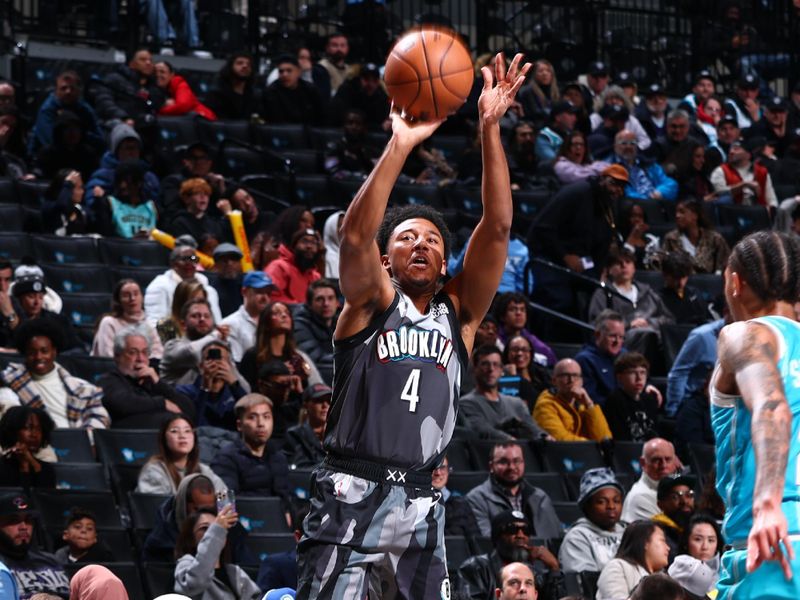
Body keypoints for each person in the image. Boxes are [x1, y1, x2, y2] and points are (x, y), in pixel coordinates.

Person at [297, 52, 530, 599]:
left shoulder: (461, 315)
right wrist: (400, 144)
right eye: (405, 238)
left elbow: (496, 227)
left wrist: (489, 128)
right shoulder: (371, 304)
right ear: (386, 261)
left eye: (431, 239)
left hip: (423, 500)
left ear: (446, 263)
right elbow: (355, 238)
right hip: (350, 491)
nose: (420, 242)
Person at [706, 230, 800, 598]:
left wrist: (766, 504)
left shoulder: (744, 335)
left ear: (734, 282)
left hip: (775, 545)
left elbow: (771, 405)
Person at [526, 165, 628, 323]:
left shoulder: (609, 205)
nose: (617, 190)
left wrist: (600, 271)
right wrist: (565, 256)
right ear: (602, 180)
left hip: (582, 264)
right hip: (550, 257)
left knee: (598, 298)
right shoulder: (577, 192)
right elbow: (541, 229)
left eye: (621, 187)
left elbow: (602, 243)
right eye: (613, 183)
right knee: (561, 301)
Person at [0, 320, 109, 430]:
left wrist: (84, 437)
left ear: (54, 351)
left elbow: (100, 417)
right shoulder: (10, 380)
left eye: (44, 351)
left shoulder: (82, 388)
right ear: (25, 354)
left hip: (77, 441)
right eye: (32, 352)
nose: (38, 357)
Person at [143, 473, 254, 564]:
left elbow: (247, 570)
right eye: (198, 510)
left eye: (209, 510)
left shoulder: (230, 532)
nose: (204, 516)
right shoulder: (160, 541)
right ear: (183, 506)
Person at [587, 248, 673, 363]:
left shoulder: (647, 292)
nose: (624, 266)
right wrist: (628, 324)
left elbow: (669, 319)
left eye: (628, 262)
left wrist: (649, 322)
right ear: (609, 270)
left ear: (634, 267)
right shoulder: (603, 294)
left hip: (654, 336)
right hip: (623, 339)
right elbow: (596, 324)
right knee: (643, 334)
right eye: (618, 263)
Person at [457, 510, 562, 600]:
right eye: (512, 529)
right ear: (497, 536)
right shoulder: (476, 568)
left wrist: (554, 569)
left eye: (526, 531)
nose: (521, 535)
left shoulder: (534, 573)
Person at [466, 442, 561, 540]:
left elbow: (554, 537)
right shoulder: (477, 498)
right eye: (503, 462)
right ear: (491, 466)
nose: (511, 467)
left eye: (517, 461)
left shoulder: (540, 497)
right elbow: (486, 541)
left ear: (523, 463)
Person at [210, 395, 291, 507]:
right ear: (239, 425)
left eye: (266, 417)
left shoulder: (278, 457)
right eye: (252, 417)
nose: (261, 424)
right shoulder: (225, 459)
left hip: (277, 520)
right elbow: (225, 502)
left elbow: (287, 499)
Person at [459, 346, 549, 441]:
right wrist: (513, 442)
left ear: (502, 370)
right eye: (485, 364)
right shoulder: (466, 403)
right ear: (475, 369)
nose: (491, 369)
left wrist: (546, 438)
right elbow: (483, 430)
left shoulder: (517, 403)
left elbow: (535, 429)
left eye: (496, 364)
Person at [173, 506, 261, 599]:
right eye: (204, 528)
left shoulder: (235, 572)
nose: (213, 533)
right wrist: (216, 530)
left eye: (219, 528)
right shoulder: (185, 565)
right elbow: (195, 584)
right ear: (190, 538)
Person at [238, 300, 322, 392]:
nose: (284, 315)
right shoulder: (252, 356)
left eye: (287, 313)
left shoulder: (297, 357)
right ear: (266, 323)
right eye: (276, 313)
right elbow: (245, 389)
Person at [0, 492, 70, 598]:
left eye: (28, 520)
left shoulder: (51, 561)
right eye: (14, 520)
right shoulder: (1, 567)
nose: (23, 527)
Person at [83, 122, 160, 218]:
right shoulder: (102, 176)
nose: (132, 152)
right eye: (127, 148)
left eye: (135, 148)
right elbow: (93, 206)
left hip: (146, 222)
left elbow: (158, 205)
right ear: (117, 151)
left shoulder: (149, 177)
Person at [558, 468, 627, 573]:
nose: (611, 506)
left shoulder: (629, 533)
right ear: (586, 506)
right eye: (601, 502)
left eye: (616, 501)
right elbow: (585, 582)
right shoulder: (577, 538)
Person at [137, 414, 225, 495]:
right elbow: (155, 507)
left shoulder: (203, 471)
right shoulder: (154, 471)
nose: (182, 435)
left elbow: (223, 495)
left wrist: (221, 508)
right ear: (164, 438)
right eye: (174, 431)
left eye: (187, 431)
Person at [159, 300, 239, 386]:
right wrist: (216, 335)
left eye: (207, 316)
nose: (202, 319)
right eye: (195, 316)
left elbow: (244, 388)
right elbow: (192, 352)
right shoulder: (171, 347)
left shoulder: (217, 347)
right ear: (183, 324)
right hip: (177, 398)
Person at [28, 70, 104, 157]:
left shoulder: (85, 109)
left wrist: (82, 135)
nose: (68, 92)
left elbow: (100, 140)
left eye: (72, 88)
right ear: (56, 91)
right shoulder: (47, 110)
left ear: (79, 91)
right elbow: (50, 141)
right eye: (63, 88)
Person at [532, 358, 612, 442]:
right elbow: (560, 440)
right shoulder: (545, 405)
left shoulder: (583, 405)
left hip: (587, 452)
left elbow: (605, 438)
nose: (571, 380)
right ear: (554, 381)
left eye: (575, 375)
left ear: (582, 381)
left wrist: (589, 405)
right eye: (565, 375)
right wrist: (593, 446)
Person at [145, 242, 222, 327]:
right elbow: (156, 322)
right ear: (173, 263)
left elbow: (217, 322)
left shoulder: (208, 290)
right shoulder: (159, 286)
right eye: (185, 259)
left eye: (193, 259)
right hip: (175, 336)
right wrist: (174, 340)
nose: (189, 263)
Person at [175, 340, 248, 431]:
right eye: (209, 359)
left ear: (229, 365)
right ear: (201, 366)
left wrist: (234, 384)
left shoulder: (235, 393)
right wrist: (205, 389)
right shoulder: (183, 392)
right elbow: (191, 423)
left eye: (220, 359)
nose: (215, 363)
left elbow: (249, 413)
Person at [665, 316, 726, 418]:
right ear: (726, 312)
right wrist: (674, 410)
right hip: (697, 404)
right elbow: (679, 373)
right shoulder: (701, 336)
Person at [90, 48, 166, 129]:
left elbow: (153, 105)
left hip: (145, 126)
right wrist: (123, 117)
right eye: (143, 60)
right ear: (131, 64)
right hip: (118, 125)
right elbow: (104, 102)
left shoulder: (153, 86)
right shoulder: (114, 79)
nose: (148, 63)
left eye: (150, 60)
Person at [595, 520, 671, 600]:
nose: (668, 548)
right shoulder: (617, 567)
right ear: (645, 542)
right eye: (662, 540)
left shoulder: (664, 576)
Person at [92, 279, 163, 359]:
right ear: (118, 301)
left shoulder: (148, 325)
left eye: (136, 294)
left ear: (142, 298)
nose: (132, 298)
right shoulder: (108, 323)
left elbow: (158, 355)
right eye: (126, 295)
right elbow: (107, 356)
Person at [661, 198, 730, 275]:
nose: (677, 216)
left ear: (695, 216)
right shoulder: (671, 239)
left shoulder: (714, 238)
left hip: (708, 284)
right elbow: (663, 264)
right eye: (676, 212)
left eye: (682, 212)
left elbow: (725, 264)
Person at [219, 271, 275, 363]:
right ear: (244, 292)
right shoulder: (230, 324)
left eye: (268, 293)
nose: (265, 298)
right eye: (259, 292)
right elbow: (236, 364)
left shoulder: (273, 321)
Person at [602, 352, 660, 442]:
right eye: (632, 373)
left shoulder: (649, 399)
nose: (639, 378)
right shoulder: (615, 399)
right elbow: (620, 439)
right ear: (619, 377)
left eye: (643, 372)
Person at [293, 279, 340, 385]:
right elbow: (315, 358)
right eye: (319, 299)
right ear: (309, 304)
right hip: (316, 378)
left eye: (330, 298)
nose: (326, 304)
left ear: (337, 303)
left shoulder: (341, 321)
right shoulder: (300, 324)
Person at [574, 311, 627, 407]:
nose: (617, 341)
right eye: (612, 336)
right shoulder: (585, 360)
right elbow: (591, 400)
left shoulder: (625, 355)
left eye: (621, 337)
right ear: (598, 335)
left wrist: (648, 386)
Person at [621, 438, 680, 523]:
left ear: (675, 462)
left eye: (668, 459)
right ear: (643, 463)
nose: (663, 465)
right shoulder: (639, 498)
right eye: (656, 460)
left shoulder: (678, 485)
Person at [710, 137, 779, 208]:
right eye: (731, 149)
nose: (731, 152)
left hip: (758, 212)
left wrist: (771, 209)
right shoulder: (720, 170)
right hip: (732, 211)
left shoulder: (761, 171)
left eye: (736, 149)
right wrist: (743, 185)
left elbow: (771, 198)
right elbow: (718, 193)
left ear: (748, 155)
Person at [610, 129, 678, 201]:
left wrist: (660, 192)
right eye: (624, 143)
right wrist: (647, 201)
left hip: (656, 201)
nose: (628, 147)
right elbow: (623, 192)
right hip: (633, 206)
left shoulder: (649, 164)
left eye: (632, 143)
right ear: (615, 146)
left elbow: (670, 183)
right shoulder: (611, 167)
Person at [0, 406, 56, 489]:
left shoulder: (46, 469)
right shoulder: (2, 468)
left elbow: (45, 498)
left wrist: (32, 463)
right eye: (28, 428)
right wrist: (24, 467)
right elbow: (19, 500)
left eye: (39, 429)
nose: (34, 435)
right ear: (13, 431)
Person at [494, 292, 556, 367]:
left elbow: (551, 359)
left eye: (522, 310)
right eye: (513, 309)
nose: (518, 313)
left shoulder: (531, 340)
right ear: (502, 316)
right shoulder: (494, 338)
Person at [265, 227, 323, 305]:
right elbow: (270, 297)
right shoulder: (278, 267)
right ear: (293, 247)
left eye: (313, 243)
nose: (309, 246)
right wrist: (301, 308)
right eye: (304, 241)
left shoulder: (316, 276)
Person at [262, 54, 325, 126]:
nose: (284, 74)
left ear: (298, 72)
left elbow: (320, 117)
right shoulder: (271, 92)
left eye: (289, 71)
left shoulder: (310, 90)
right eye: (281, 71)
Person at [169, 178, 225, 254]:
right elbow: (183, 254)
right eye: (197, 193)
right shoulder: (179, 223)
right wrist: (199, 263)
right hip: (191, 262)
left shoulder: (214, 223)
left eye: (206, 194)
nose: (203, 197)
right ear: (186, 199)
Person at [283, 383, 331, 469]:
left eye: (329, 401)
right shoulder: (294, 435)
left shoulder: (340, 436)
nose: (325, 405)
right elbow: (301, 469)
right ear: (306, 405)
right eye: (319, 400)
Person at [204, 53, 263, 121]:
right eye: (239, 63)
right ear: (230, 67)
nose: (245, 66)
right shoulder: (216, 93)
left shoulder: (254, 95)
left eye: (249, 64)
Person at [652, 473, 698, 560]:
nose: (684, 501)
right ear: (660, 504)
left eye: (689, 495)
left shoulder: (698, 527)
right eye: (675, 497)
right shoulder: (656, 532)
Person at [659, 252, 711, 327]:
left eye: (683, 277)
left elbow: (707, 321)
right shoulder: (657, 298)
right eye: (675, 278)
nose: (681, 283)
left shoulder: (694, 294)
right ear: (665, 275)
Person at [156, 277, 208, 345]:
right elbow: (170, 353)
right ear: (181, 301)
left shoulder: (207, 324)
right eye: (193, 300)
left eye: (201, 301)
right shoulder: (165, 325)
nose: (198, 305)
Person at [209, 243, 245, 319]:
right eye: (224, 260)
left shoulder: (248, 284)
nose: (229, 263)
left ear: (240, 263)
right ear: (216, 265)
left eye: (234, 259)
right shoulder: (211, 289)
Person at [312, 33, 352, 99]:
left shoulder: (350, 70)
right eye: (335, 45)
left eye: (342, 45)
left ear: (347, 48)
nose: (339, 49)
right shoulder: (321, 68)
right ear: (327, 48)